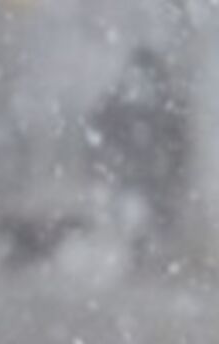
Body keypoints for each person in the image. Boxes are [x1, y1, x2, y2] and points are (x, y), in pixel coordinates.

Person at [90, 46, 192, 275]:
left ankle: (143, 257)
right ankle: (147, 258)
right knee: (149, 216)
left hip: (138, 169)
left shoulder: (123, 96)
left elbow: (103, 122)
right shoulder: (165, 98)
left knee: (141, 215)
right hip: (150, 170)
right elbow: (178, 137)